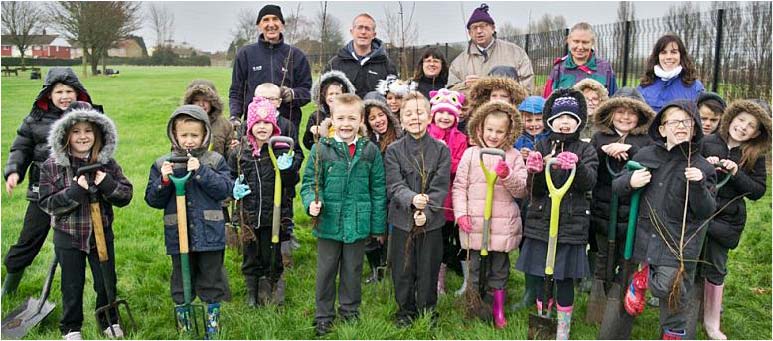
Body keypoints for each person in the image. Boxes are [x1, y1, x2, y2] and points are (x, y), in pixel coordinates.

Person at [612, 100, 717, 340]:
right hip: (647, 235)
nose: (680, 126)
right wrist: (631, 181)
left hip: (679, 242)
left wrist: (699, 185)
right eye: (673, 121)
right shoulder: (647, 155)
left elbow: (706, 210)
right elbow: (617, 185)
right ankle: (641, 280)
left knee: (672, 289)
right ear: (661, 129)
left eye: (687, 121)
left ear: (695, 128)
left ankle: (670, 329)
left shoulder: (701, 166)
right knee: (667, 285)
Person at [38, 104, 133, 340]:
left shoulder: (107, 163)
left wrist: (107, 184)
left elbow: (126, 195)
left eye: (88, 131)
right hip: (68, 236)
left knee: (106, 281)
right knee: (71, 284)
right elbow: (47, 203)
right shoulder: (53, 165)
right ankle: (71, 327)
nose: (83, 137)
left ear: (99, 134)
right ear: (65, 135)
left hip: (101, 235)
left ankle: (109, 319)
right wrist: (72, 193)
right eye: (76, 131)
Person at [2, 67, 98, 297]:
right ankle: (9, 286)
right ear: (48, 95)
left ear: (78, 93)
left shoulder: (89, 117)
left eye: (69, 91)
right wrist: (14, 171)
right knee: (29, 239)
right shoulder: (35, 119)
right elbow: (21, 147)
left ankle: (82, 293)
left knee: (77, 245)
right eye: (59, 92)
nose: (65, 96)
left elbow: (101, 148)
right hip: (42, 192)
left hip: (78, 193)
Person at [300, 93, 387, 336]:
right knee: (326, 270)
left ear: (361, 121)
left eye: (352, 118)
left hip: (358, 223)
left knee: (353, 269)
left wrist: (378, 227)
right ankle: (324, 315)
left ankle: (349, 311)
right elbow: (308, 184)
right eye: (340, 118)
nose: (346, 123)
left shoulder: (370, 151)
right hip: (329, 222)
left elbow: (378, 189)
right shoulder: (321, 149)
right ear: (331, 119)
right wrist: (311, 203)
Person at [144, 105, 234, 339]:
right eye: (184, 135)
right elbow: (153, 200)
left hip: (210, 233)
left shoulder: (215, 160)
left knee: (211, 277)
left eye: (194, 135)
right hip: (178, 234)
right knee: (180, 279)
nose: (189, 141)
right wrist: (163, 181)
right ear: (174, 134)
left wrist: (202, 171)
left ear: (205, 134)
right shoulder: (162, 163)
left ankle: (212, 321)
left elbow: (225, 190)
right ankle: (185, 321)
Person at [516, 88, 599, 340]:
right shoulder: (541, 145)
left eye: (570, 118)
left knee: (563, 280)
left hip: (570, 226)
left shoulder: (586, 150)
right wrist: (535, 171)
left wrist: (578, 165)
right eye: (560, 118)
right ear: (550, 120)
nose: (565, 123)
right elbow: (534, 191)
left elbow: (589, 183)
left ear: (579, 122)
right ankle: (544, 320)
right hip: (542, 222)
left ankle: (562, 328)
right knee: (543, 276)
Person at [453, 100, 527, 328]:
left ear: (509, 132)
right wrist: (461, 214)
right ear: (480, 129)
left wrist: (507, 175)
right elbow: (459, 187)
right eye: (490, 130)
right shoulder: (471, 155)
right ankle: (474, 307)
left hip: (501, 228)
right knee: (474, 269)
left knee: (499, 270)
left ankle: (498, 309)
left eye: (500, 131)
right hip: (475, 224)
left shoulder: (513, 156)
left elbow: (522, 189)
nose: (494, 136)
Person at [699, 100, 770, 340]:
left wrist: (736, 173)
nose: (742, 127)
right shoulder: (708, 142)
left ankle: (712, 322)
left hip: (726, 219)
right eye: (741, 120)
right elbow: (686, 167)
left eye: (750, 126)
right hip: (698, 213)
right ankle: (688, 308)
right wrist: (704, 166)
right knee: (690, 260)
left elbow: (758, 191)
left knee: (716, 265)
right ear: (731, 118)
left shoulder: (753, 156)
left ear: (757, 133)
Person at [384, 91, 451, 327]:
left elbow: (441, 185)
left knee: (428, 268)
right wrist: (412, 200)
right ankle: (405, 310)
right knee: (403, 269)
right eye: (408, 114)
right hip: (402, 221)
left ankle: (427, 310)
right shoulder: (393, 150)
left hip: (431, 224)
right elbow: (393, 185)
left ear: (430, 116)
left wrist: (427, 211)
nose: (414, 118)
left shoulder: (441, 150)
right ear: (401, 119)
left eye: (419, 112)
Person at [587, 87, 655, 312]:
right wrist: (603, 151)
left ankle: (624, 299)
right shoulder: (599, 137)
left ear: (641, 116)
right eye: (620, 112)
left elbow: (652, 161)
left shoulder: (645, 141)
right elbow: (589, 166)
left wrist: (630, 149)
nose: (625, 117)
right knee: (603, 258)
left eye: (632, 113)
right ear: (610, 113)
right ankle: (598, 302)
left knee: (627, 261)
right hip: (603, 211)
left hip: (634, 215)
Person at [228, 97, 299, 307]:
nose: (262, 127)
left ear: (274, 126)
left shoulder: (281, 150)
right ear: (249, 126)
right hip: (249, 214)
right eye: (257, 123)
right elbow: (229, 177)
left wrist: (287, 169)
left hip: (274, 215)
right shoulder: (240, 153)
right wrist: (233, 187)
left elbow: (292, 181)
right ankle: (253, 291)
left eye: (266, 123)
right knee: (251, 255)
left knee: (272, 254)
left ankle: (273, 285)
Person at [229, 4, 312, 129]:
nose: (271, 24)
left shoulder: (296, 55)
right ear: (259, 25)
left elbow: (306, 92)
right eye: (266, 20)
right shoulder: (245, 54)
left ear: (282, 24)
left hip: (287, 127)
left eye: (275, 19)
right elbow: (237, 91)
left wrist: (291, 94)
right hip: (254, 126)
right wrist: (235, 116)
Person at [253, 83, 305, 267]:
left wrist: (291, 165)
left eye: (271, 99)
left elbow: (298, 152)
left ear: (279, 102)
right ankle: (257, 257)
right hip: (258, 186)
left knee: (283, 218)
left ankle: (283, 253)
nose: (266, 102)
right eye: (261, 99)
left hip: (282, 185)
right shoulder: (249, 124)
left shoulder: (287, 125)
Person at [426, 88, 469, 295]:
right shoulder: (426, 133)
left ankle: (459, 282)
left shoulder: (460, 138)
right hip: (432, 198)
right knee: (436, 241)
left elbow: (459, 166)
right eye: (441, 113)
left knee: (454, 239)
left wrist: (443, 158)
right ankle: (437, 282)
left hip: (453, 199)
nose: (444, 117)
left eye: (449, 114)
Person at [509, 95, 549, 311]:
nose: (533, 124)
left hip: (544, 199)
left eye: (538, 119)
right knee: (527, 244)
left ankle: (545, 291)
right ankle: (530, 291)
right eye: (528, 119)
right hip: (523, 200)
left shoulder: (551, 139)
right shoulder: (516, 139)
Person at [447, 3, 534, 93]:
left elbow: (526, 87)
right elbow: (450, 91)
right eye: (474, 28)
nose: (479, 31)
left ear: (493, 28)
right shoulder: (458, 62)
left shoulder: (516, 53)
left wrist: (495, 86)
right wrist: (465, 85)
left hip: (506, 106)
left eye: (483, 26)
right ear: (469, 33)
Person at [362, 95, 402, 284]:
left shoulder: (399, 136)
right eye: (372, 118)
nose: (378, 120)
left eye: (381, 115)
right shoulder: (367, 141)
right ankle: (375, 269)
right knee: (370, 234)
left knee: (391, 233)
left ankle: (389, 265)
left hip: (393, 193)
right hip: (372, 193)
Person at [325, 13, 398, 98]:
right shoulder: (334, 64)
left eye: (367, 29)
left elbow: (393, 97)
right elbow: (324, 95)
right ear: (352, 32)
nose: (363, 32)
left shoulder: (387, 65)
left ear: (374, 35)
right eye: (359, 27)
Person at [544, 22, 617, 98]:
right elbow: (547, 101)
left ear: (592, 43)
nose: (580, 47)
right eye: (576, 41)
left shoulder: (605, 69)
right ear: (569, 41)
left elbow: (613, 101)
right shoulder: (558, 69)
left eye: (585, 42)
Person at [637, 34, 704, 113]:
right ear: (657, 56)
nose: (668, 57)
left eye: (673, 52)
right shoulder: (644, 86)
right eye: (663, 52)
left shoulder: (695, 87)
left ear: (681, 56)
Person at [302, 70, 356, 150]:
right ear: (324, 96)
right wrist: (311, 132)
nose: (334, 97)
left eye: (337, 94)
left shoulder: (351, 115)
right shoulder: (316, 116)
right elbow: (308, 145)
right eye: (330, 94)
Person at [183, 80, 233, 156]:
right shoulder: (182, 122)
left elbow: (231, 156)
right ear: (190, 102)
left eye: (205, 100)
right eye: (196, 100)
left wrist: (234, 148)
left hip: (217, 166)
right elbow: (175, 151)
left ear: (213, 102)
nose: (201, 104)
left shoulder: (224, 124)